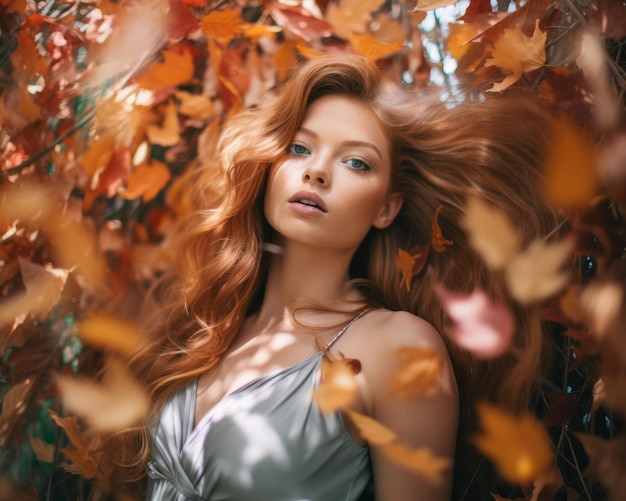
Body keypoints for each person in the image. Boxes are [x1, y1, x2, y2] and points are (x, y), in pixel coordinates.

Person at [97, 53, 562, 500]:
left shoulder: (398, 348)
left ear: (386, 207)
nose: (317, 171)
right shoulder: (212, 329)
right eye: (299, 148)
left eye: (356, 162)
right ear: (271, 165)